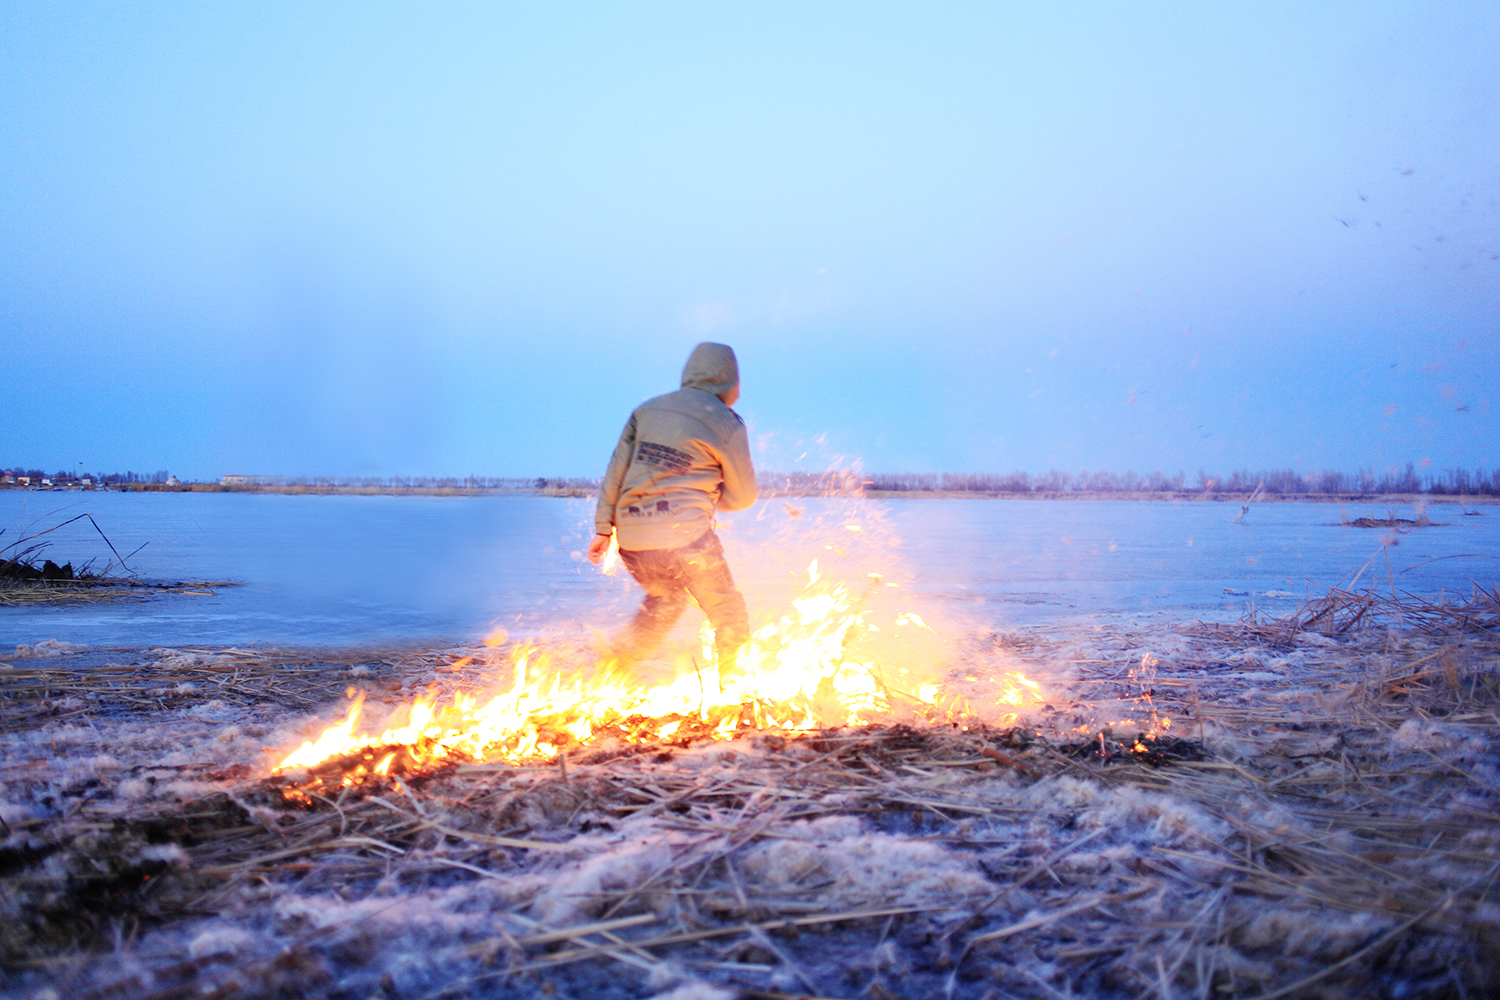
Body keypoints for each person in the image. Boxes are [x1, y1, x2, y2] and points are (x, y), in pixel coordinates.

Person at [587, 342, 757, 668]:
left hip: (633, 540)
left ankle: (615, 664)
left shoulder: (647, 410)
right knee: (727, 612)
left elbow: (617, 470)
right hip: (686, 536)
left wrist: (602, 529)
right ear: (730, 383)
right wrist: (716, 498)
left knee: (667, 598)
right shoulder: (726, 421)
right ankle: (736, 690)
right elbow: (744, 495)